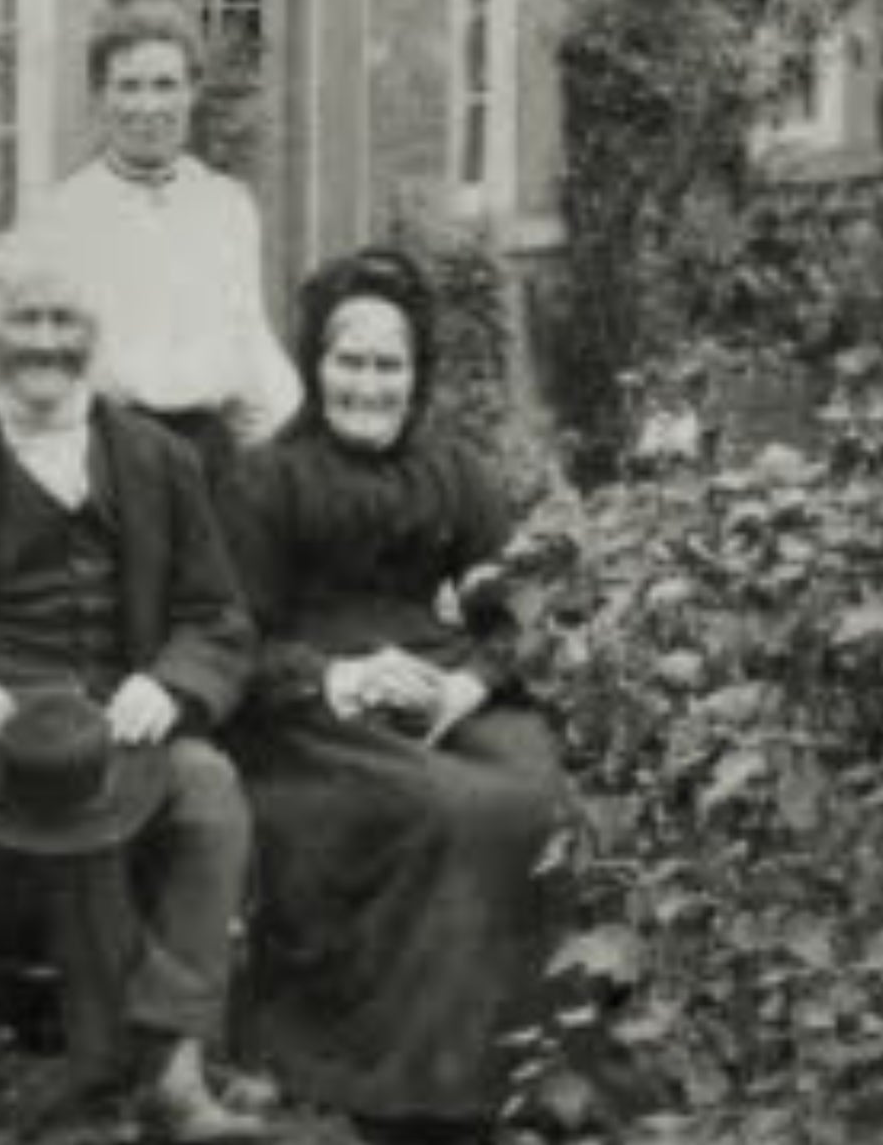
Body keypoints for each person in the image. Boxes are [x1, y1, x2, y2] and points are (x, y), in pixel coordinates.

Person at [0, 248, 267, 1142]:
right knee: (64, 796)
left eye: (64, 324)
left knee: (213, 793)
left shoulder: (157, 460)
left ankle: (168, 1054)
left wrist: (172, 681)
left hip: (125, 717)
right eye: (25, 322)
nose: (45, 345)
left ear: (92, 340)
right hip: (0, 735)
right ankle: (148, 1073)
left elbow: (219, 618)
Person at [220, 248, 569, 1143]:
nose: (368, 385)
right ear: (314, 365)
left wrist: (467, 685)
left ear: (417, 375)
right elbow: (233, 641)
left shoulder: (453, 472)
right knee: (445, 808)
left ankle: (534, 1064)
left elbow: (518, 606)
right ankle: (423, 1084)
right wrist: (337, 679)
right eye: (350, 361)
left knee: (541, 794)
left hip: (437, 683)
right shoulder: (266, 480)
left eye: (389, 365)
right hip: (309, 718)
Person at [0, 3, 301, 471]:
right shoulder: (62, 215)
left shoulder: (228, 206)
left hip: (209, 452)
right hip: (112, 456)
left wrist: (297, 448)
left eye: (165, 85)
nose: (148, 107)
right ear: (101, 97)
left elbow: (249, 337)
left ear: (192, 92)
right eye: (129, 87)